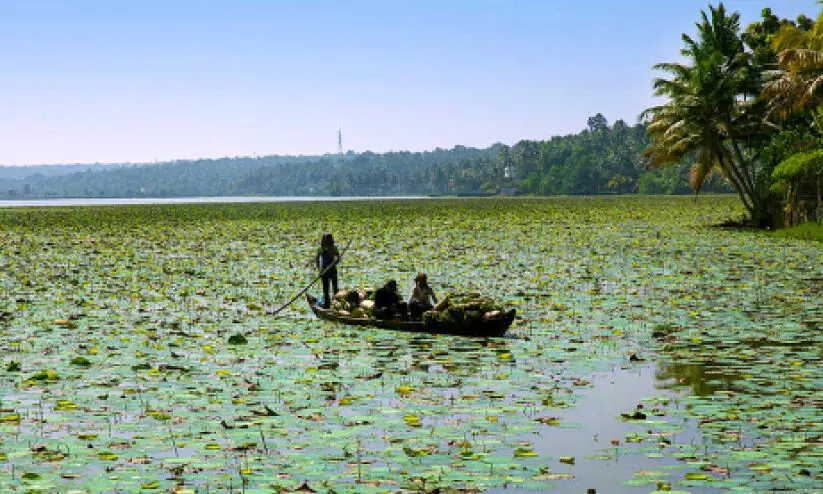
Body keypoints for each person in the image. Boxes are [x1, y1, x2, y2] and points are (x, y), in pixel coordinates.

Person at [315, 233, 340, 308]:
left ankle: (336, 305)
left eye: (327, 238)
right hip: (324, 271)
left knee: (335, 289)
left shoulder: (334, 248)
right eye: (325, 238)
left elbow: (338, 258)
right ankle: (327, 306)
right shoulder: (320, 249)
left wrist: (335, 262)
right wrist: (319, 270)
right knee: (326, 290)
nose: (326, 240)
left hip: (332, 270)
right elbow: (317, 260)